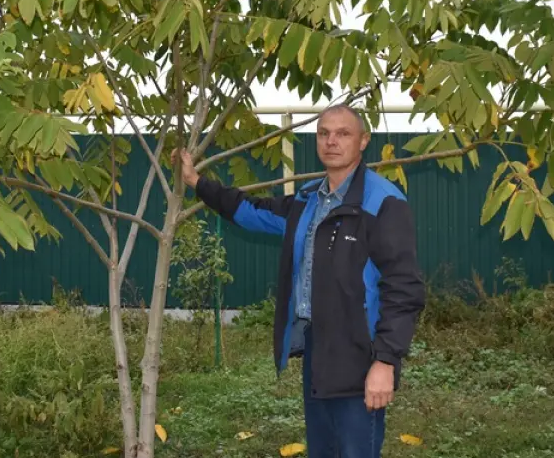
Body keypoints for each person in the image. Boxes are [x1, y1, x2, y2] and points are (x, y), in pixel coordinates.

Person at [174, 105, 425, 458]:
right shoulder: (307, 201)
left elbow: (404, 288)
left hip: (360, 356)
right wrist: (196, 183)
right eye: (324, 133)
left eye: (343, 133)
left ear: (363, 141)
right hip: (316, 351)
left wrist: (385, 361)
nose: (331, 141)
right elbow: (251, 211)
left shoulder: (383, 202)